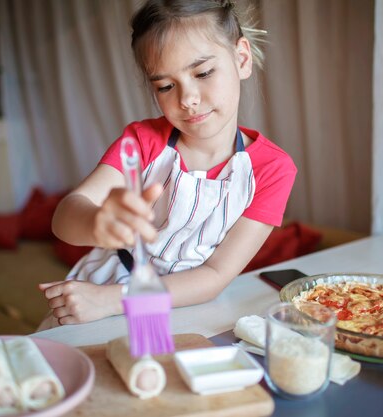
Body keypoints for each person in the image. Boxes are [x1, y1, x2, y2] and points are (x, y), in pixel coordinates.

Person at [38, 0, 297, 328]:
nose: (187, 99)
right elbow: (65, 216)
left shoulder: (272, 170)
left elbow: (215, 275)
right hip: (98, 292)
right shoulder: (143, 141)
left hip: (185, 305)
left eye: (203, 72)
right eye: (165, 86)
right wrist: (96, 223)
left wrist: (112, 301)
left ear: (241, 58)